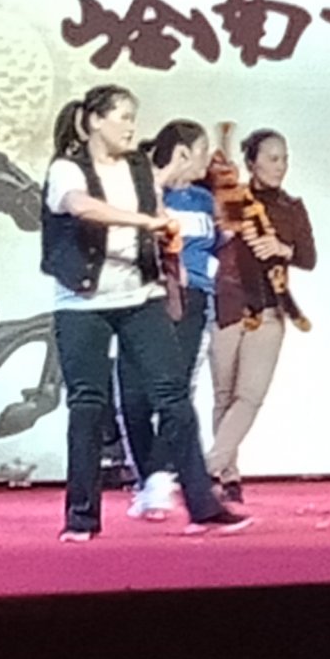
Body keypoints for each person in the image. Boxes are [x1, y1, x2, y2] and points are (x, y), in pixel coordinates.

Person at [39, 85, 248, 539]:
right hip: (84, 301)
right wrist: (143, 221)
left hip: (140, 295)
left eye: (133, 117)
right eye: (122, 117)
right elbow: (80, 207)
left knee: (173, 396)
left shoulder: (137, 167)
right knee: (87, 404)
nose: (131, 126)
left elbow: (156, 212)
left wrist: (169, 254)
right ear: (95, 121)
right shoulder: (67, 168)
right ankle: (81, 517)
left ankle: (202, 506)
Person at [207, 128, 315, 501]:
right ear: (252, 162)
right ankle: (228, 477)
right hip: (229, 303)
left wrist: (283, 248)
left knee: (250, 395)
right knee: (224, 395)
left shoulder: (291, 207)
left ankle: (209, 468)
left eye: (284, 158)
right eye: (272, 158)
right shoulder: (234, 198)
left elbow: (308, 257)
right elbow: (217, 242)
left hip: (270, 309)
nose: (280, 166)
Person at [121, 120, 218, 520]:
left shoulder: (204, 199)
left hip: (191, 300)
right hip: (144, 297)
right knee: (133, 396)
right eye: (202, 150)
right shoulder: (139, 193)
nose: (207, 159)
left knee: (175, 391)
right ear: (181, 153)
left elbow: (217, 246)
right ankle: (148, 479)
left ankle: (162, 475)